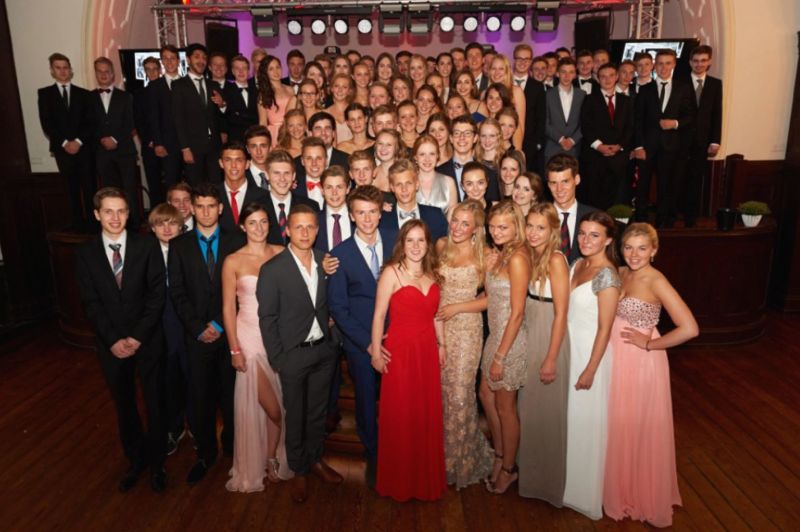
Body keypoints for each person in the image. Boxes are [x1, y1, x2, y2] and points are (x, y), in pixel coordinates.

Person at [603, 223, 697, 526]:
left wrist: (649, 343)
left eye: (642, 248)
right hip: (614, 356)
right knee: (617, 422)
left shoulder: (656, 280)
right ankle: (616, 486)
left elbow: (690, 328)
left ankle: (638, 493)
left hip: (641, 361)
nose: (634, 254)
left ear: (654, 250)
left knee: (636, 424)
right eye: (629, 247)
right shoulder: (620, 272)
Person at [75, 187, 167, 492]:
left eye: (121, 211)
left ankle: (158, 464)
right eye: (108, 211)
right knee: (125, 405)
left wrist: (138, 336)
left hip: (148, 340)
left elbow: (157, 294)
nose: (115, 218)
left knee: (155, 403)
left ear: (128, 213)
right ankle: (136, 460)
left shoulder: (147, 245)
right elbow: (90, 303)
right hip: (110, 344)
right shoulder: (86, 253)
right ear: (97, 214)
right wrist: (114, 339)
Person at [257, 204, 343, 503]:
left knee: (318, 412)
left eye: (310, 227)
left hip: (324, 351)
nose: (305, 233)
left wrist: (333, 337)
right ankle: (299, 470)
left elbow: (332, 300)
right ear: (287, 231)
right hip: (292, 356)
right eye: (299, 227)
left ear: (317, 230)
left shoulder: (325, 261)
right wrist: (279, 359)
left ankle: (315, 459)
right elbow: (267, 318)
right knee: (295, 415)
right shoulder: (273, 269)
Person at [168, 182, 240, 484]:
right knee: (201, 398)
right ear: (192, 210)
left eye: (212, 206)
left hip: (229, 333)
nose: (206, 212)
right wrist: (198, 327)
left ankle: (233, 448)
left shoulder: (236, 241)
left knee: (232, 395)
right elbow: (178, 292)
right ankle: (206, 452)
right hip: (196, 336)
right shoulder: (179, 245)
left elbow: (241, 290)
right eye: (200, 206)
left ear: (220, 208)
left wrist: (219, 324)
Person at [370, 220, 447, 501]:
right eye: (410, 240)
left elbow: (436, 315)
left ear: (428, 244)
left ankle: (423, 479)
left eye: (421, 240)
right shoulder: (391, 273)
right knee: (401, 414)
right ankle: (399, 481)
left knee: (424, 414)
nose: (415, 246)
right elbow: (379, 315)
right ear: (402, 243)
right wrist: (376, 353)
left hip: (427, 351)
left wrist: (442, 344)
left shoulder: (434, 274)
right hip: (401, 352)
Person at [328, 185, 397, 486]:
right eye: (360, 213)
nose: (367, 219)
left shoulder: (397, 241)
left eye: (372, 212)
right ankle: (374, 453)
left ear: (380, 213)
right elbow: (338, 308)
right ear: (351, 215)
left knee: (398, 397)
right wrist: (368, 344)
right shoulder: (339, 255)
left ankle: (399, 447)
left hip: (397, 335)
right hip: (360, 342)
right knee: (366, 399)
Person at [222, 203, 292, 492]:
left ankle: (271, 458)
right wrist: (234, 349)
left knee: (280, 403)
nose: (259, 228)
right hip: (249, 338)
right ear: (243, 226)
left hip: (279, 338)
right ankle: (258, 460)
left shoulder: (282, 253)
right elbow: (228, 308)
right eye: (252, 222)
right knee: (274, 409)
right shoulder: (233, 261)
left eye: (263, 222)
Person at [562, 210, 621, 519]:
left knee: (586, 422)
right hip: (568, 350)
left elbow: (605, 328)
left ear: (608, 240)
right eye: (582, 233)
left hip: (589, 354)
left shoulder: (607, 275)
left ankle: (584, 494)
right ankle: (565, 484)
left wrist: (590, 369)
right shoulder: (577, 264)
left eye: (594, 235)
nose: (585, 240)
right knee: (569, 420)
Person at [435, 200, 494, 489]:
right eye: (455, 220)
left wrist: (458, 307)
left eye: (465, 223)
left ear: (476, 228)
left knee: (460, 394)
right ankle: (438, 457)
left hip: (468, 330)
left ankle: (460, 461)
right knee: (441, 395)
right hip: (437, 327)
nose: (457, 227)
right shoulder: (440, 245)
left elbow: (490, 299)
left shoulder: (487, 255)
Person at [518, 203, 571, 505]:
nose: (534, 233)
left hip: (549, 332)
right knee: (531, 409)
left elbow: (562, 313)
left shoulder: (555, 259)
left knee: (548, 412)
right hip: (533, 327)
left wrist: (551, 357)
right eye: (530, 226)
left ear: (553, 230)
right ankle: (532, 478)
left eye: (541, 227)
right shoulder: (533, 255)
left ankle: (549, 487)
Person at [478, 200, 531, 494]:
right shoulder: (500, 254)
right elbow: (491, 298)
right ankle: (499, 455)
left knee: (505, 407)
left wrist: (500, 356)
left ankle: (509, 469)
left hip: (510, 341)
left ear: (516, 227)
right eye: (492, 226)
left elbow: (518, 312)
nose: (496, 232)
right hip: (495, 335)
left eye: (502, 227)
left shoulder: (518, 257)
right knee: (485, 395)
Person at [633, 49, 695, 227]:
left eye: (668, 63)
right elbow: (637, 120)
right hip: (647, 147)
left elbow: (690, 116)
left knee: (666, 186)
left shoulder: (683, 88)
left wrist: (675, 123)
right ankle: (641, 219)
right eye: (660, 63)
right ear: (654, 65)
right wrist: (638, 146)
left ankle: (663, 220)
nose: (664, 67)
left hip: (671, 146)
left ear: (674, 64)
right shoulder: (645, 89)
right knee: (642, 185)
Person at [38, 52, 94, 229]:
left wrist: (78, 141)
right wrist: (65, 143)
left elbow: (90, 122)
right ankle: (77, 226)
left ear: (71, 70)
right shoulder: (45, 94)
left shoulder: (84, 94)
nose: (62, 71)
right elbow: (47, 123)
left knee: (89, 188)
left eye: (65, 67)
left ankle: (93, 226)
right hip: (62, 151)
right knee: (71, 189)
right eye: (58, 68)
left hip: (84, 149)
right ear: (52, 70)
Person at [90, 57, 140, 229]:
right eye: (100, 71)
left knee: (129, 190)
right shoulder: (88, 98)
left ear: (112, 74)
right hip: (102, 153)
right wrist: (102, 139)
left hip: (125, 151)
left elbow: (131, 122)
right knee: (109, 192)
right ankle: (112, 226)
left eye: (107, 71)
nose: (103, 74)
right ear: (96, 73)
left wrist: (115, 139)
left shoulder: (126, 97)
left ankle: (133, 226)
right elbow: (87, 124)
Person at [579, 63, 634, 210]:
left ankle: (616, 224)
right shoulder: (589, 99)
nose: (607, 79)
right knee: (596, 199)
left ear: (616, 77)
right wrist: (599, 146)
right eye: (603, 76)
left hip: (619, 157)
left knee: (618, 199)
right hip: (595, 157)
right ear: (598, 79)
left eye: (611, 75)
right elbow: (586, 125)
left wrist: (619, 145)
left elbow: (630, 127)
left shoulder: (626, 101)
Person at [172, 43, 223, 184]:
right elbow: (178, 119)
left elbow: (221, 115)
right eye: (197, 57)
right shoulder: (179, 85)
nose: (201, 61)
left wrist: (222, 105)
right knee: (196, 186)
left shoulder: (213, 85)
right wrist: (185, 148)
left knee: (216, 185)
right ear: (188, 60)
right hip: (192, 147)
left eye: (204, 58)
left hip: (214, 146)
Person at [684, 45, 722, 228]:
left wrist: (715, 140)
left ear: (709, 62)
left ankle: (690, 218)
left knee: (695, 180)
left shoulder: (715, 84)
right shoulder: (680, 81)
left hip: (702, 140)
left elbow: (717, 113)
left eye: (703, 61)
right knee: (677, 178)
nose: (699, 64)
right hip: (679, 140)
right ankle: (673, 215)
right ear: (690, 62)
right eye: (696, 61)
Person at [379, 159, 449, 241]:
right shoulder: (382, 219)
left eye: (408, 183)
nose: (404, 189)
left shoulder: (435, 216)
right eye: (399, 184)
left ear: (417, 184)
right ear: (392, 187)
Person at [261, 149, 320, 246]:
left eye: (287, 173)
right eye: (276, 173)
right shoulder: (256, 207)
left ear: (293, 176)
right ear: (267, 175)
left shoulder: (310, 206)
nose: (282, 179)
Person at [547, 154, 598, 264]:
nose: (559, 189)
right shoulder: (540, 217)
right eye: (554, 183)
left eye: (565, 181)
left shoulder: (594, 217)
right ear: (548, 185)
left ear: (577, 179)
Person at [147, 45, 183, 191]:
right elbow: (153, 117)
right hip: (167, 145)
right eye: (165, 58)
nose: (169, 62)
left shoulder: (188, 83)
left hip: (189, 143)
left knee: (193, 183)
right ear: (162, 61)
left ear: (178, 61)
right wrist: (158, 143)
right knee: (172, 184)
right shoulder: (155, 86)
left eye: (172, 58)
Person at [217, 141, 268, 234]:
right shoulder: (213, 195)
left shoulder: (263, 196)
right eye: (228, 160)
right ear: (221, 163)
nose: (233, 165)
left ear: (247, 164)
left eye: (239, 160)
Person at [134, 56, 164, 205]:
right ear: (144, 72)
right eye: (148, 69)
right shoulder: (139, 94)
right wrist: (151, 141)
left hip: (169, 145)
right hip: (149, 146)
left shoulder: (170, 91)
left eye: (154, 69)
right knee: (154, 184)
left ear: (160, 70)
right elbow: (138, 121)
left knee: (172, 184)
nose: (151, 72)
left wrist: (162, 141)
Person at [294, 111, 350, 191]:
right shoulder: (295, 164)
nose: (323, 133)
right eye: (318, 129)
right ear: (310, 134)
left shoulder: (347, 161)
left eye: (327, 128)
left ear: (333, 133)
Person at [544, 57, 585, 163]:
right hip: (552, 148)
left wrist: (572, 140)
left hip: (575, 149)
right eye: (563, 72)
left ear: (575, 74)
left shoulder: (582, 95)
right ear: (557, 73)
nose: (567, 76)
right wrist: (561, 139)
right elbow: (545, 122)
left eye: (571, 72)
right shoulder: (547, 95)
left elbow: (585, 122)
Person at [487, 54, 526, 149]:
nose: (497, 72)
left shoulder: (516, 92)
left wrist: (517, 151)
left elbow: (519, 126)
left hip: (510, 145)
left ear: (507, 71)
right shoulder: (485, 93)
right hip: (488, 144)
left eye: (501, 69)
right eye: (493, 68)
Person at [257, 55, 297, 149]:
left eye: (277, 67)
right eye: (271, 69)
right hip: (274, 134)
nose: (276, 71)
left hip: (292, 129)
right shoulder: (263, 94)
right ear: (265, 72)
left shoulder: (290, 89)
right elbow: (263, 122)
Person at [413, 134, 458, 217]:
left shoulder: (449, 182)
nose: (427, 159)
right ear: (415, 157)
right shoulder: (408, 182)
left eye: (432, 154)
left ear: (437, 156)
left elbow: (452, 217)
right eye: (422, 154)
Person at [223, 55, 259, 143]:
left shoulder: (257, 90)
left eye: (244, 68)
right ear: (232, 71)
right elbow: (228, 116)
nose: (241, 71)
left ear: (248, 71)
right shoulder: (226, 90)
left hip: (254, 136)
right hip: (235, 137)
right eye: (237, 68)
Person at [326, 73, 355, 144]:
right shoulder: (324, 113)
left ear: (349, 91)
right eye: (336, 86)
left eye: (344, 87)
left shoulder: (355, 111)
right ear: (331, 89)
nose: (340, 90)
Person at [244, 125, 272, 189]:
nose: (259, 152)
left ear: (270, 148)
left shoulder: (280, 172)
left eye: (263, 146)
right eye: (254, 146)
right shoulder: (241, 175)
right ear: (248, 149)